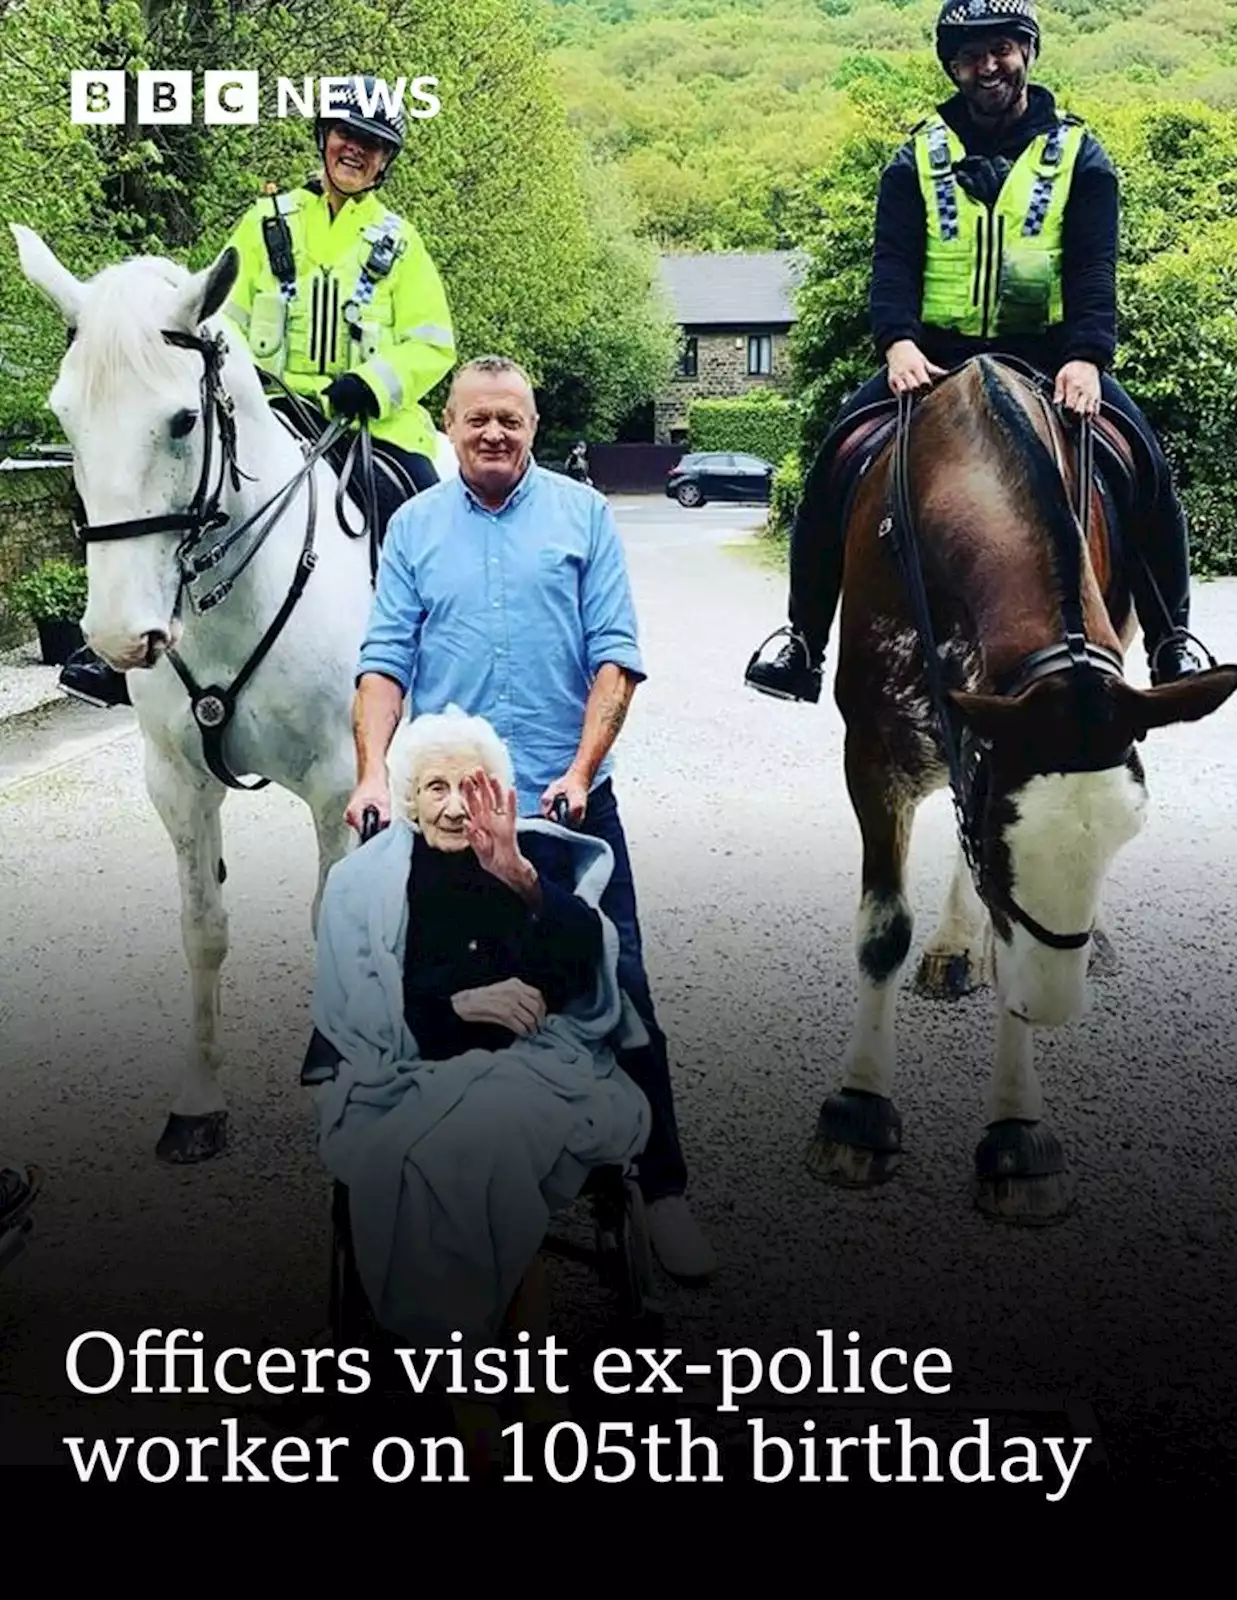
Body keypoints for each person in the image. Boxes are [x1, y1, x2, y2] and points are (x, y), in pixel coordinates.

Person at [344, 354, 716, 1283]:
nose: (494, 434)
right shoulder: (415, 528)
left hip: (564, 798)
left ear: (535, 424)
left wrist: (582, 770)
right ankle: (440, 1167)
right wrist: (371, 777)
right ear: (451, 422)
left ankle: (662, 1187)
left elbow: (616, 658)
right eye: (477, 419)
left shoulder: (582, 515)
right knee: (426, 980)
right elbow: (384, 660)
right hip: (448, 814)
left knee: (614, 976)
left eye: (510, 419)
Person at [744, 0, 1211, 706]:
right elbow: (894, 261)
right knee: (834, 460)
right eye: (970, 55)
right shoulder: (915, 157)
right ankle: (803, 641)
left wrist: (1087, 355)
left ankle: (1174, 639)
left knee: (1145, 462)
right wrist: (897, 342)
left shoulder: (1080, 155)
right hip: (933, 354)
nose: (988, 66)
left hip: (1049, 353)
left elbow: (1092, 268)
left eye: (1001, 49)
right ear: (952, 66)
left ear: (1027, 51)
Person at [308, 706, 652, 1474]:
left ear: (501, 793)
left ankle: (477, 1386)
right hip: (406, 1074)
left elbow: (589, 988)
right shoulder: (364, 885)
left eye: (475, 787)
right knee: (477, 1138)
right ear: (405, 796)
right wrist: (457, 1006)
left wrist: (523, 881)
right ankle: (516, 1379)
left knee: (484, 1130)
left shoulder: (535, 863)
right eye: (434, 788)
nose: (457, 807)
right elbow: (353, 1012)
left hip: (542, 1067)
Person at [59, 72, 457, 711]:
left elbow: (433, 341)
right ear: (323, 137)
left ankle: (433, 653)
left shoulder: (400, 244)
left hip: (365, 425)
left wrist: (374, 385)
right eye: (345, 135)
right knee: (171, 483)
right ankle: (121, 649)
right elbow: (215, 321)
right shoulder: (264, 223)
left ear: (386, 161)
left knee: (419, 502)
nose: (355, 150)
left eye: (372, 143)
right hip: (268, 411)